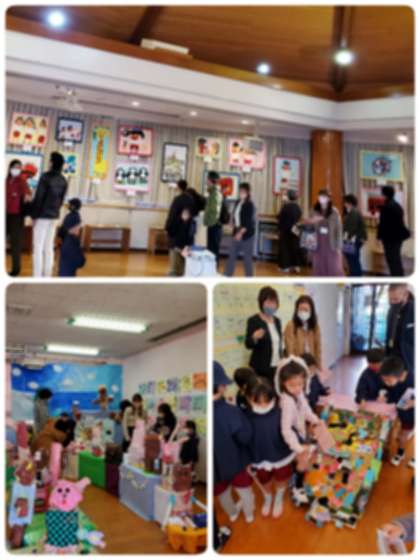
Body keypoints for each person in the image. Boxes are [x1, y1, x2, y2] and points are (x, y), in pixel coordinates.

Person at [245, 377, 294, 518]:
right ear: (249, 398)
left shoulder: (281, 411)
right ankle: (268, 497)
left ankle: (278, 497)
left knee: (281, 477)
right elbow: (244, 440)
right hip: (258, 456)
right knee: (264, 479)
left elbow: (291, 431)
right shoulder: (246, 416)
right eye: (257, 402)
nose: (262, 405)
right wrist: (246, 460)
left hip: (281, 453)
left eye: (266, 401)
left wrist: (299, 447)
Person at [275, 357, 321, 505]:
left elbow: (306, 409)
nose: (297, 388)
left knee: (303, 459)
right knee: (303, 460)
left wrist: (315, 419)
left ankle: (296, 477)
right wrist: (298, 447)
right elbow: (286, 429)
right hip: (290, 438)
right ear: (283, 383)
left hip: (298, 432)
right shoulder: (286, 402)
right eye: (292, 385)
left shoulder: (298, 393)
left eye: (300, 384)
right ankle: (297, 487)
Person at [213, 362, 255, 524]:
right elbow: (244, 437)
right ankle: (249, 515)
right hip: (236, 462)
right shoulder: (230, 411)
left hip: (215, 469)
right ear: (221, 386)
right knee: (244, 491)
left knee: (222, 494)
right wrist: (238, 413)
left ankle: (232, 513)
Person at [31, 152, 68, 277]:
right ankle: (47, 275)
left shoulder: (45, 177)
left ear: (51, 162)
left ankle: (37, 276)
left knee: (38, 247)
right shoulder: (63, 180)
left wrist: (34, 216)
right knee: (49, 247)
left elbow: (39, 198)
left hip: (42, 216)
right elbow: (61, 200)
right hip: (54, 217)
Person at [379, 356, 414, 468]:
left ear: (401, 375)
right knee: (403, 434)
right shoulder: (393, 380)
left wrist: (415, 402)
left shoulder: (414, 379)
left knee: (405, 433)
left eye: (388, 380)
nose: (386, 382)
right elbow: (391, 393)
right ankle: (400, 453)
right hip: (405, 413)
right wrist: (385, 396)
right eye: (384, 380)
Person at [245, 286, 283, 383]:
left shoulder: (277, 321)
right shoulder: (254, 320)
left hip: (276, 366)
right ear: (261, 302)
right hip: (260, 368)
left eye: (274, 302)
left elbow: (278, 344)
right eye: (268, 302)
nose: (271, 306)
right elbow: (248, 344)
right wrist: (254, 337)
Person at [308, 189, 344, 276]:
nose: (322, 198)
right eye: (320, 196)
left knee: (334, 266)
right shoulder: (314, 210)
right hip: (318, 242)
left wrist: (339, 246)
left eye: (324, 196)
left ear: (329, 198)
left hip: (331, 242)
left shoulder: (334, 212)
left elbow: (338, 229)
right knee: (318, 265)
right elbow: (310, 228)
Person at [6, 159, 32, 276]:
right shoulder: (6, 180)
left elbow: (28, 195)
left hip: (16, 216)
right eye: (14, 167)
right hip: (5, 214)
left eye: (19, 167)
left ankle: (16, 270)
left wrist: (25, 197)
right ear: (10, 167)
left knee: (15, 244)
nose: (16, 169)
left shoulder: (22, 181)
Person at [377, 185, 410, 276]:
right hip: (398, 238)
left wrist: (379, 238)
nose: (381, 195)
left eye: (382, 194)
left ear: (384, 195)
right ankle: (399, 278)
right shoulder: (397, 206)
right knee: (396, 260)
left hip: (390, 239)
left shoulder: (386, 207)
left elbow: (383, 224)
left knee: (392, 261)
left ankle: (396, 280)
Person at [224, 182, 256, 277]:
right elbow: (234, 215)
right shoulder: (238, 202)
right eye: (240, 191)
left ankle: (249, 278)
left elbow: (248, 222)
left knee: (247, 259)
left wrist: (240, 233)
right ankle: (227, 276)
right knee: (231, 256)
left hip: (247, 235)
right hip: (236, 231)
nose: (241, 193)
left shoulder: (249, 205)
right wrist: (231, 222)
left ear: (248, 192)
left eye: (243, 191)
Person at [284, 295, 322, 365]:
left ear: (311, 311)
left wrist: (319, 365)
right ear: (296, 310)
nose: (303, 312)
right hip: (297, 366)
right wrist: (297, 367)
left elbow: (318, 348)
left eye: (306, 310)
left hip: (311, 364)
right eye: (300, 309)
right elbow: (290, 350)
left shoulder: (315, 327)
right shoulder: (291, 325)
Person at [385, 284, 414, 375]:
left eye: (396, 299)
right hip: (392, 356)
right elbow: (389, 333)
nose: (393, 302)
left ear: (406, 295)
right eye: (390, 299)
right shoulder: (390, 310)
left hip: (409, 359)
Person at [58, 198, 85, 277]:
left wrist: (60, 237)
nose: (68, 206)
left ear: (73, 206)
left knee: (65, 266)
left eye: (70, 204)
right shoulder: (77, 216)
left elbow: (64, 230)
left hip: (67, 243)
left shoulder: (71, 216)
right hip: (70, 242)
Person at [277, 189, 303, 273]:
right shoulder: (298, 207)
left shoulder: (286, 206)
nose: (284, 197)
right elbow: (299, 216)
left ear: (288, 197)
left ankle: (285, 267)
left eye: (285, 195)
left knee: (285, 248)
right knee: (294, 248)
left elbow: (280, 217)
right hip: (295, 230)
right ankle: (296, 266)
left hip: (285, 230)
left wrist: (279, 229)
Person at [342, 194, 367, 277]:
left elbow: (351, 229)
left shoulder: (353, 212)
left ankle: (356, 279)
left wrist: (345, 240)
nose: (344, 204)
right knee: (352, 261)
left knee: (353, 261)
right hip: (352, 240)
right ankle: (354, 277)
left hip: (352, 240)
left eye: (345, 202)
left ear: (349, 203)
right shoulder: (352, 212)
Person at [166, 205, 194, 276]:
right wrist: (176, 246)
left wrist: (186, 247)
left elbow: (190, 237)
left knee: (183, 262)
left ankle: (181, 272)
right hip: (176, 245)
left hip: (185, 246)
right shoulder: (176, 221)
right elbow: (172, 234)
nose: (185, 216)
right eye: (184, 213)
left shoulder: (192, 223)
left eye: (187, 214)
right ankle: (174, 271)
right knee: (174, 256)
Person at [203, 171, 224, 262]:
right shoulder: (212, 192)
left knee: (213, 251)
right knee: (211, 250)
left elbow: (215, 211)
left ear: (210, 180)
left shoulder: (215, 193)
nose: (206, 181)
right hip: (213, 225)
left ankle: (213, 269)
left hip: (214, 225)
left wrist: (210, 223)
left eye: (207, 179)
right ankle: (211, 268)